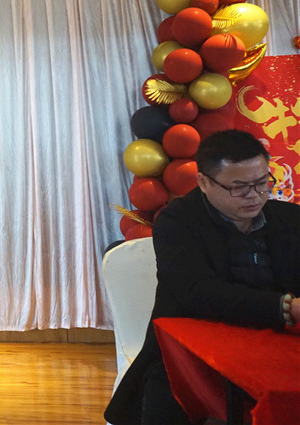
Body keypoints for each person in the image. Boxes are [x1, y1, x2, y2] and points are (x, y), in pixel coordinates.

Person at [105, 129, 300, 425]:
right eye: (239, 187)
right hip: (191, 346)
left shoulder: (289, 218)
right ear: (204, 182)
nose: (254, 196)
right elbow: (195, 292)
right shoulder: (177, 221)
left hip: (276, 343)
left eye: (262, 183)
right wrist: (284, 306)